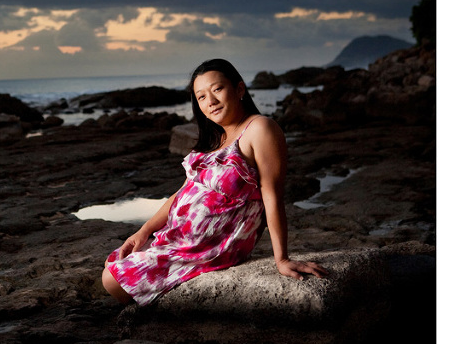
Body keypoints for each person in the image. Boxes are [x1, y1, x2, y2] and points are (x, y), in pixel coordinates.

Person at [101, 58, 328, 305]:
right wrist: (143, 232)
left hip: (212, 247)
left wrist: (281, 259)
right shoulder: (217, 138)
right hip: (179, 239)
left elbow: (272, 194)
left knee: (112, 279)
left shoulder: (259, 128)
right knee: (114, 263)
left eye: (217, 89)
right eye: (201, 97)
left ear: (239, 89)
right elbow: (185, 192)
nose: (210, 101)